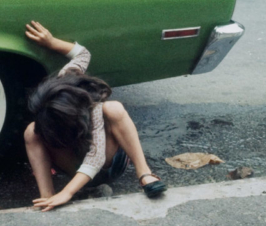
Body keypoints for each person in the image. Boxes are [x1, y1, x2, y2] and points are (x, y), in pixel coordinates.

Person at [23, 21, 167, 212]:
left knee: (114, 108)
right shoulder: (66, 79)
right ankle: (47, 197)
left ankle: (144, 174)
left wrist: (67, 193)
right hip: (72, 164)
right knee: (31, 131)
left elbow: (95, 159)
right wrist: (51, 43)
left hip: (105, 166)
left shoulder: (94, 109)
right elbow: (83, 54)